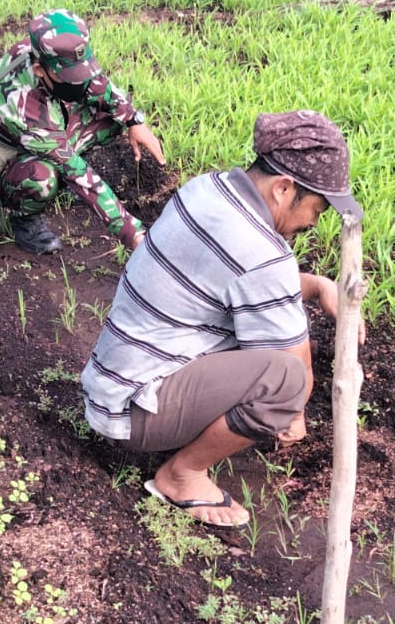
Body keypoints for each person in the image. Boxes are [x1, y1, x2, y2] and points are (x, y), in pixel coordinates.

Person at [80, 110, 362, 528]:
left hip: (112, 383)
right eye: (317, 209)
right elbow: (293, 358)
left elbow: (242, 283)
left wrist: (318, 286)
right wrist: (293, 414)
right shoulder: (263, 252)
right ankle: (182, 475)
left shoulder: (208, 190)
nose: (313, 223)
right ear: (284, 189)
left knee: (276, 356)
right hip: (134, 411)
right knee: (286, 380)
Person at [0, 10, 165, 255]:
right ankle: (23, 219)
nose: (78, 81)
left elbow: (95, 84)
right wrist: (134, 235)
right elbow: (77, 171)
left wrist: (133, 119)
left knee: (110, 120)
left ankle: (54, 171)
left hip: (36, 138)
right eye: (69, 76)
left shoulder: (42, 49)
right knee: (43, 178)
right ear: (39, 70)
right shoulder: (23, 110)